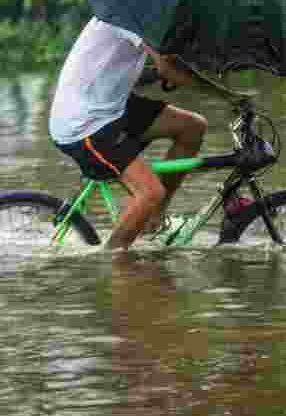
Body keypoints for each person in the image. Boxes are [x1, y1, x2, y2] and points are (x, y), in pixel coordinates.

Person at [49, 17, 249, 250]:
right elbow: (168, 67)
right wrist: (228, 97)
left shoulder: (144, 12)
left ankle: (152, 220)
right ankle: (113, 258)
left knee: (192, 127)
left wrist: (159, 73)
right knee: (150, 192)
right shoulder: (132, 14)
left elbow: (132, 68)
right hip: (84, 124)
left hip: (110, 108)